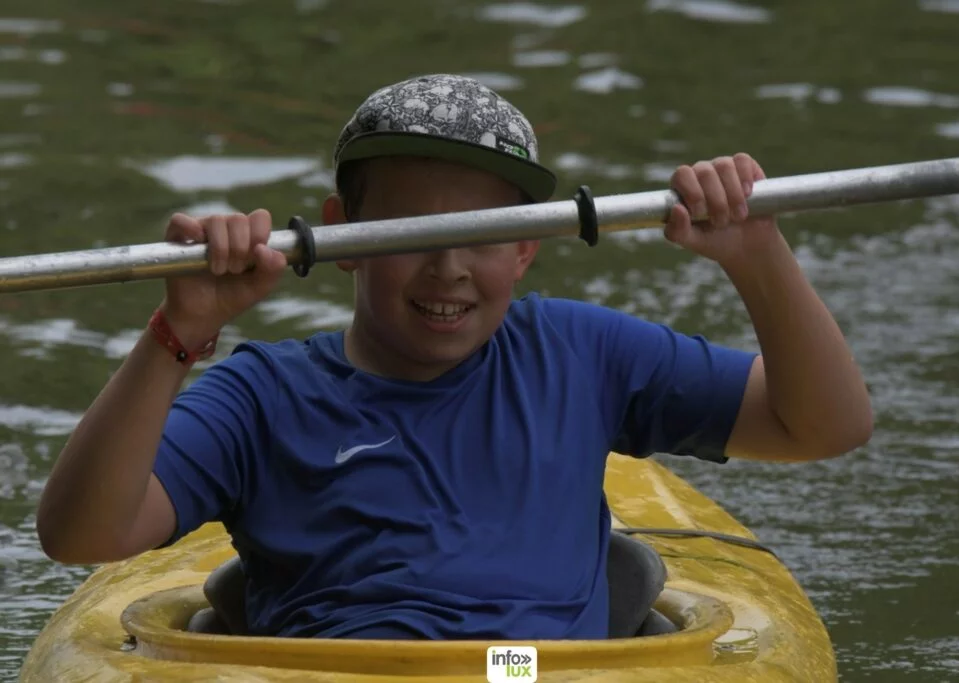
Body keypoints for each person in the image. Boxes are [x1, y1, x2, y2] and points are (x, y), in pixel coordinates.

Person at [35, 73, 872, 641]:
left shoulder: (586, 352)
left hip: (527, 670)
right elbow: (82, 534)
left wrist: (757, 256)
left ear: (527, 249)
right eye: (415, 233)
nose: (449, 268)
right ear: (342, 234)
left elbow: (825, 425)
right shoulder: (260, 396)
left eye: (483, 235)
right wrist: (178, 333)